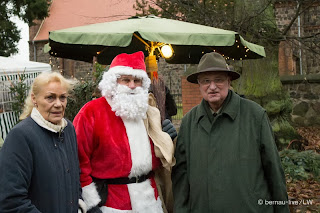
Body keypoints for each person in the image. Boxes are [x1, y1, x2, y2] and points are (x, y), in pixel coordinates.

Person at [172, 52, 290, 213]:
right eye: (206, 81)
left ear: (229, 81)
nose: (212, 86)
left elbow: (274, 170)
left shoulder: (255, 115)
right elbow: (181, 177)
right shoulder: (189, 122)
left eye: (218, 80)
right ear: (199, 84)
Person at [73, 51, 176, 213]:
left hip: (150, 200)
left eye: (137, 80)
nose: (132, 85)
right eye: (126, 80)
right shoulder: (91, 112)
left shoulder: (148, 111)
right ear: (113, 82)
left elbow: (157, 158)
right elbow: (78, 161)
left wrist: (165, 139)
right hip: (112, 203)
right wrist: (91, 203)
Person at [0, 72, 86, 212]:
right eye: (50, 97)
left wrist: (78, 204)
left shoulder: (68, 129)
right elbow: (11, 201)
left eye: (62, 97)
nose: (58, 104)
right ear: (34, 99)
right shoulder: (20, 136)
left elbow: (74, 177)